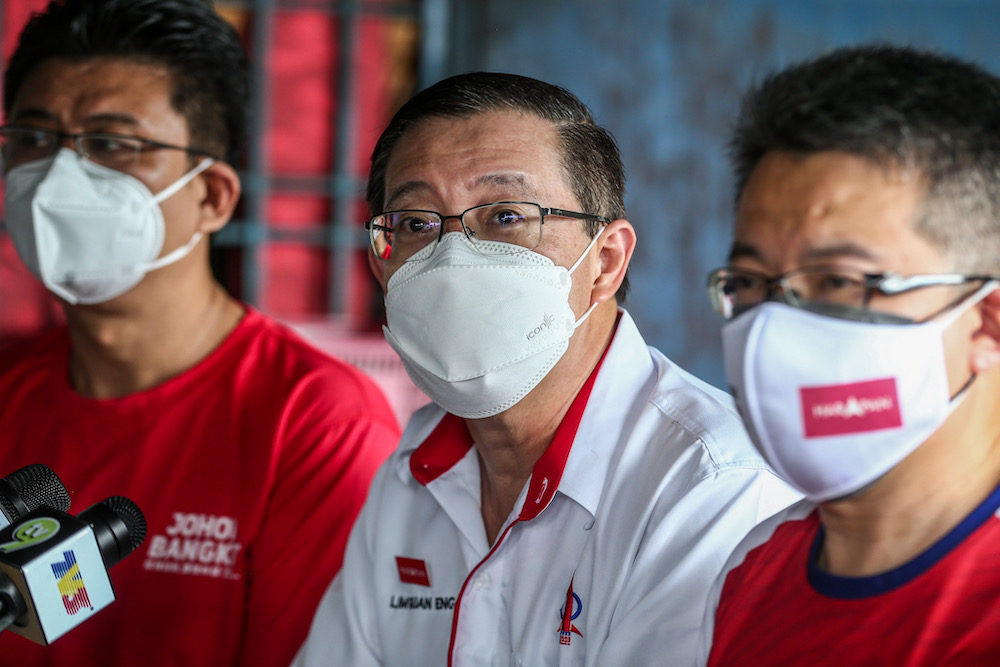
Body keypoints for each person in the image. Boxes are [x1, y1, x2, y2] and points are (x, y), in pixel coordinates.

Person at [292, 71, 799, 667]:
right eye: (415, 223)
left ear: (605, 261)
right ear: (382, 268)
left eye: (507, 216)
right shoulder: (413, 471)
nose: (452, 258)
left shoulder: (711, 488)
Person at [0, 1, 400, 665]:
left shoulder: (317, 425)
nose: (56, 178)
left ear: (212, 196)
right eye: (34, 139)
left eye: (111, 144)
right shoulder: (9, 393)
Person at [699, 44, 1000, 666]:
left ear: (988, 323)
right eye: (751, 282)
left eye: (838, 281)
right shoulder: (753, 574)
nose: (773, 331)